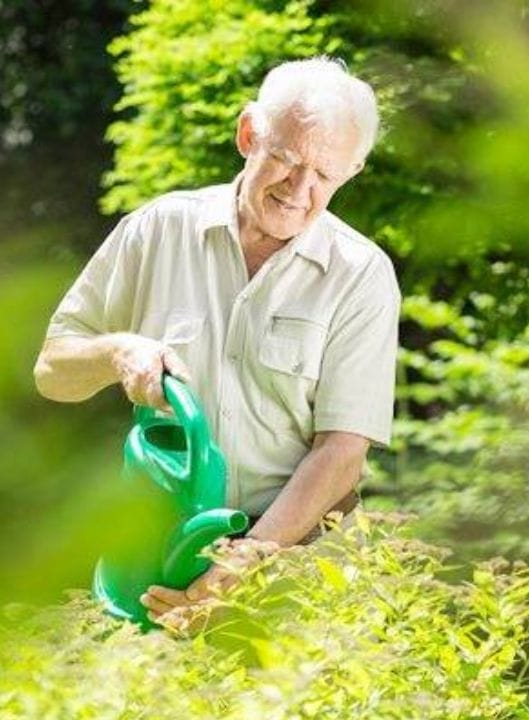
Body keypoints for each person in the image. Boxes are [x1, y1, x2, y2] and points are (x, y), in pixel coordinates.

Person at [32, 57, 399, 626]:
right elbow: (52, 372)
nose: (300, 190)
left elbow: (342, 453)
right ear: (249, 134)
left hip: (297, 567)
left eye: (325, 175)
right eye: (287, 159)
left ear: (352, 171)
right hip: (158, 555)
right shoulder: (157, 230)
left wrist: (245, 560)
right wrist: (118, 353)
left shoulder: (360, 275)